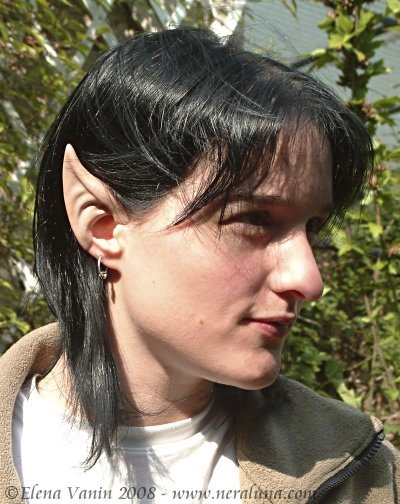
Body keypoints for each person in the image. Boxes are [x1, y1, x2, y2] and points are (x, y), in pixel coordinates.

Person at [0, 27, 398, 504]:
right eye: (254, 219)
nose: (309, 279)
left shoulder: (364, 475)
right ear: (102, 223)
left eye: (311, 228)